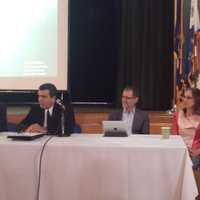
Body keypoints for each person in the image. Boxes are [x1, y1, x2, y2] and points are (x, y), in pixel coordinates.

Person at [172, 87, 200, 169]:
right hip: (179, 149)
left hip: (196, 152)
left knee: (192, 162)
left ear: (196, 99)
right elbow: (174, 136)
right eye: (184, 97)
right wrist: (183, 148)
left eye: (188, 98)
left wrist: (198, 151)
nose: (184, 100)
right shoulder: (177, 115)